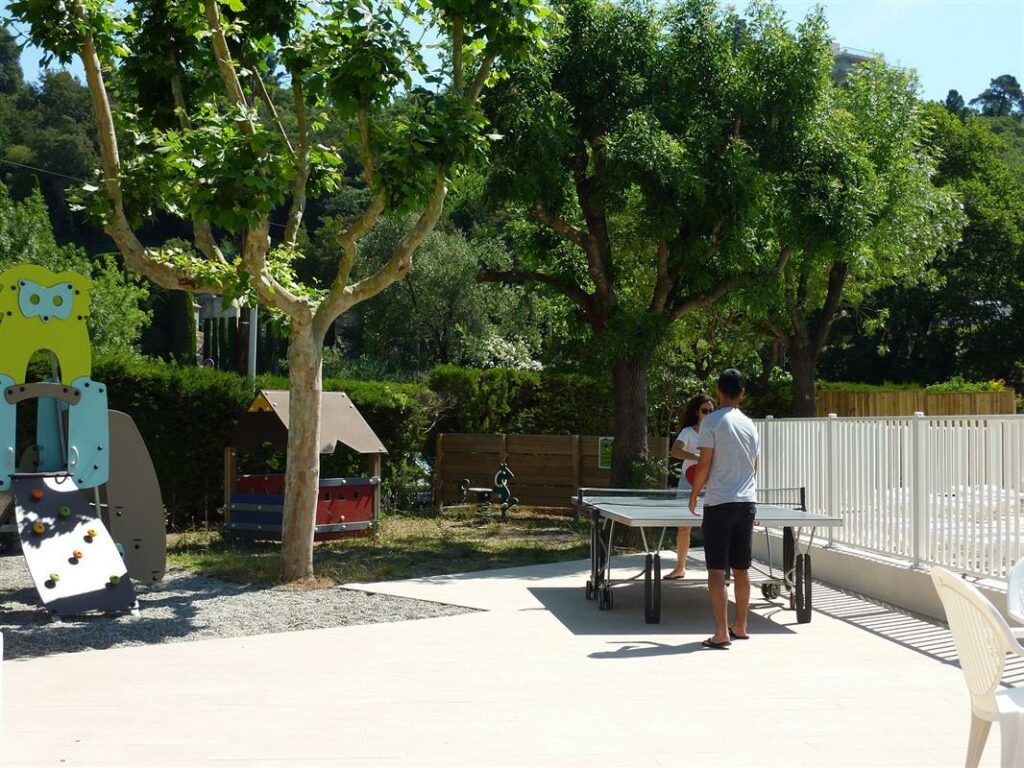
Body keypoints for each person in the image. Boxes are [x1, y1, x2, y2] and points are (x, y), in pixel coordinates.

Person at [688, 368, 759, 649]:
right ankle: (741, 626)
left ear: (718, 391)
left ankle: (721, 632)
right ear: (742, 393)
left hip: (719, 503)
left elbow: (704, 464)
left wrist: (694, 495)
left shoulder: (712, 422)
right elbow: (755, 466)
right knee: (741, 569)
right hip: (747, 503)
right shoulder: (751, 425)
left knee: (717, 570)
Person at [664, 394, 715, 580]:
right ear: (697, 412)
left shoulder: (719, 431)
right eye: (704, 411)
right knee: (684, 527)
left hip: (712, 484)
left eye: (711, 410)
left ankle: (716, 572)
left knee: (714, 528)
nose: (708, 414)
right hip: (688, 482)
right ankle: (680, 568)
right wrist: (697, 457)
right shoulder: (688, 432)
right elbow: (675, 451)